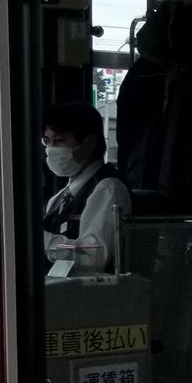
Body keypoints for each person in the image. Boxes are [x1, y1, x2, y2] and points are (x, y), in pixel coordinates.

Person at [41, 102, 128, 273]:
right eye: (47, 141)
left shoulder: (108, 188)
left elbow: (94, 257)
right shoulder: (59, 199)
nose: (51, 149)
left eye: (59, 140)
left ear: (88, 143)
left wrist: (43, 241)